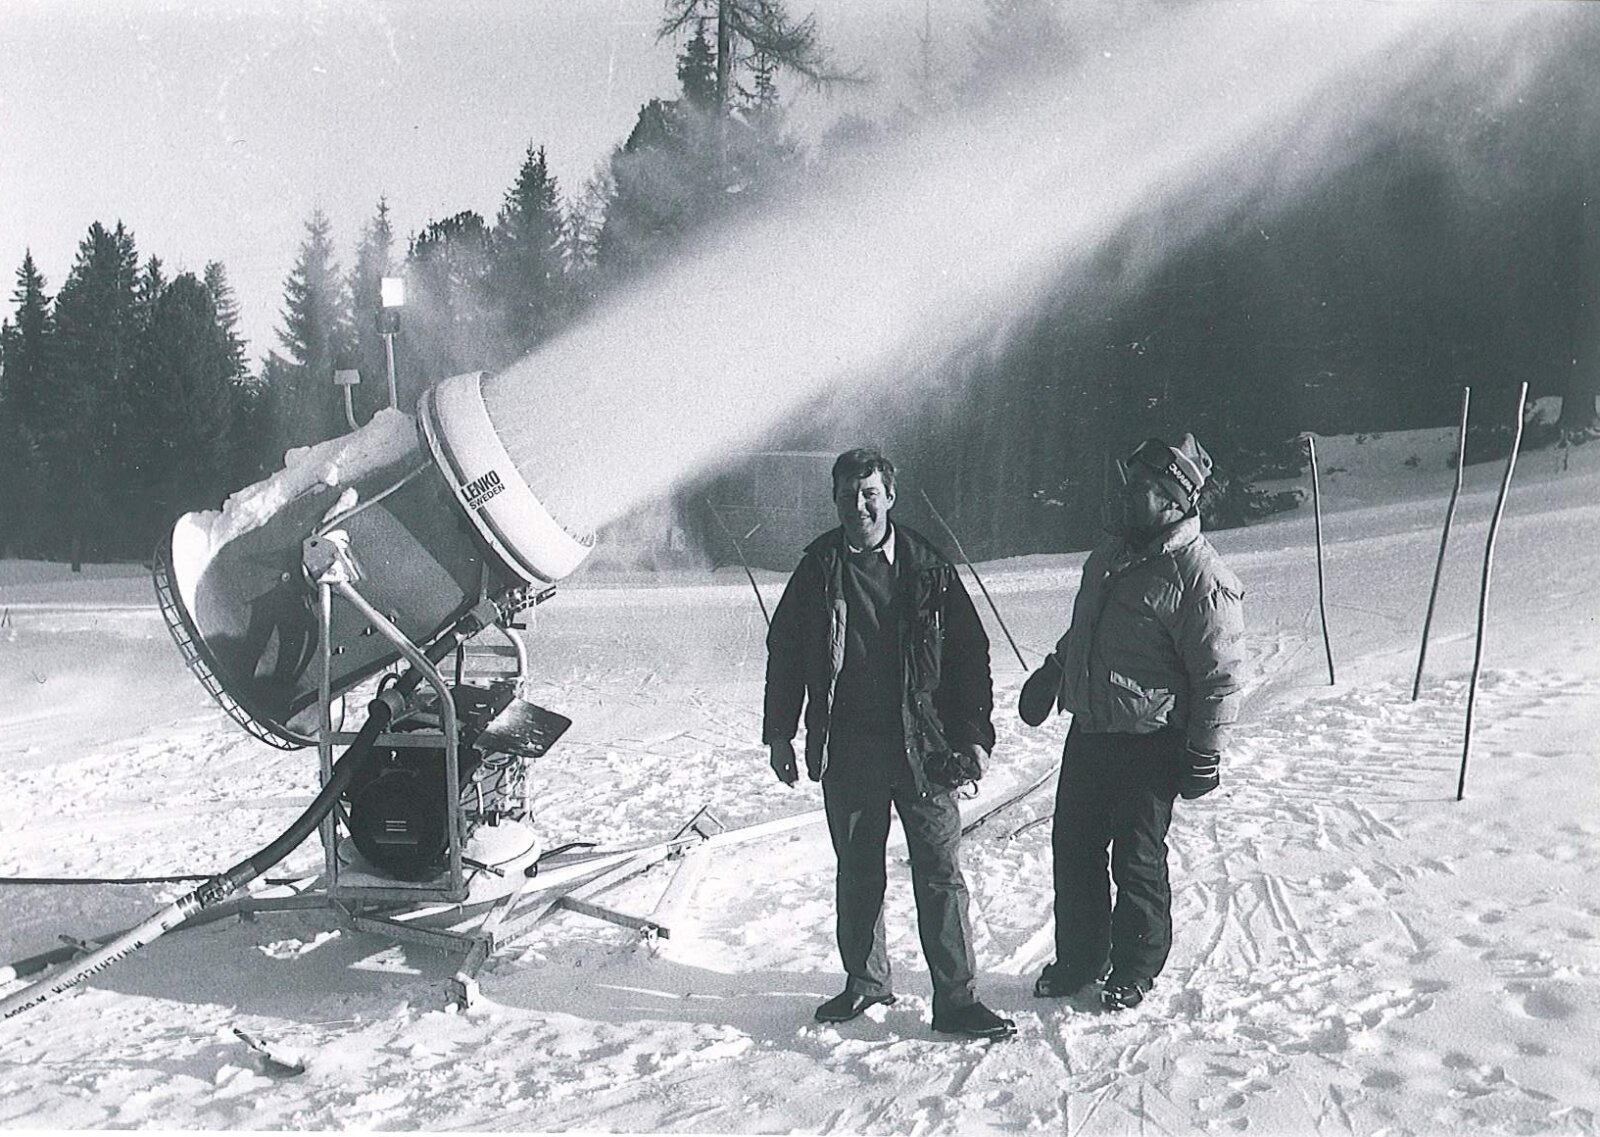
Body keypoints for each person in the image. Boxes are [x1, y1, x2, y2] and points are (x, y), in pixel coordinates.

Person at [763, 447, 1016, 1040]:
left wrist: (974, 736)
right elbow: (786, 655)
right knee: (857, 870)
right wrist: (781, 732)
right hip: (848, 748)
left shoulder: (930, 565)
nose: (859, 506)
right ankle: (866, 982)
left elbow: (969, 657)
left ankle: (956, 1000)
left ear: (890, 497)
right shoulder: (818, 567)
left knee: (939, 872)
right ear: (835, 501)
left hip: (922, 748)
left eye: (870, 493)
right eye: (849, 494)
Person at [1019, 433, 1244, 1011]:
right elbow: (1090, 629)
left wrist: (1203, 753)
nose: (1128, 496)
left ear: (1175, 499)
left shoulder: (1199, 576)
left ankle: (1135, 967)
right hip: (1092, 729)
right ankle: (1080, 959)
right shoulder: (1111, 557)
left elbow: (1218, 677)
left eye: (1143, 488)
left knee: (1137, 859)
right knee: (1074, 849)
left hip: (1150, 740)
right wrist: (1055, 668)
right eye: (1130, 484)